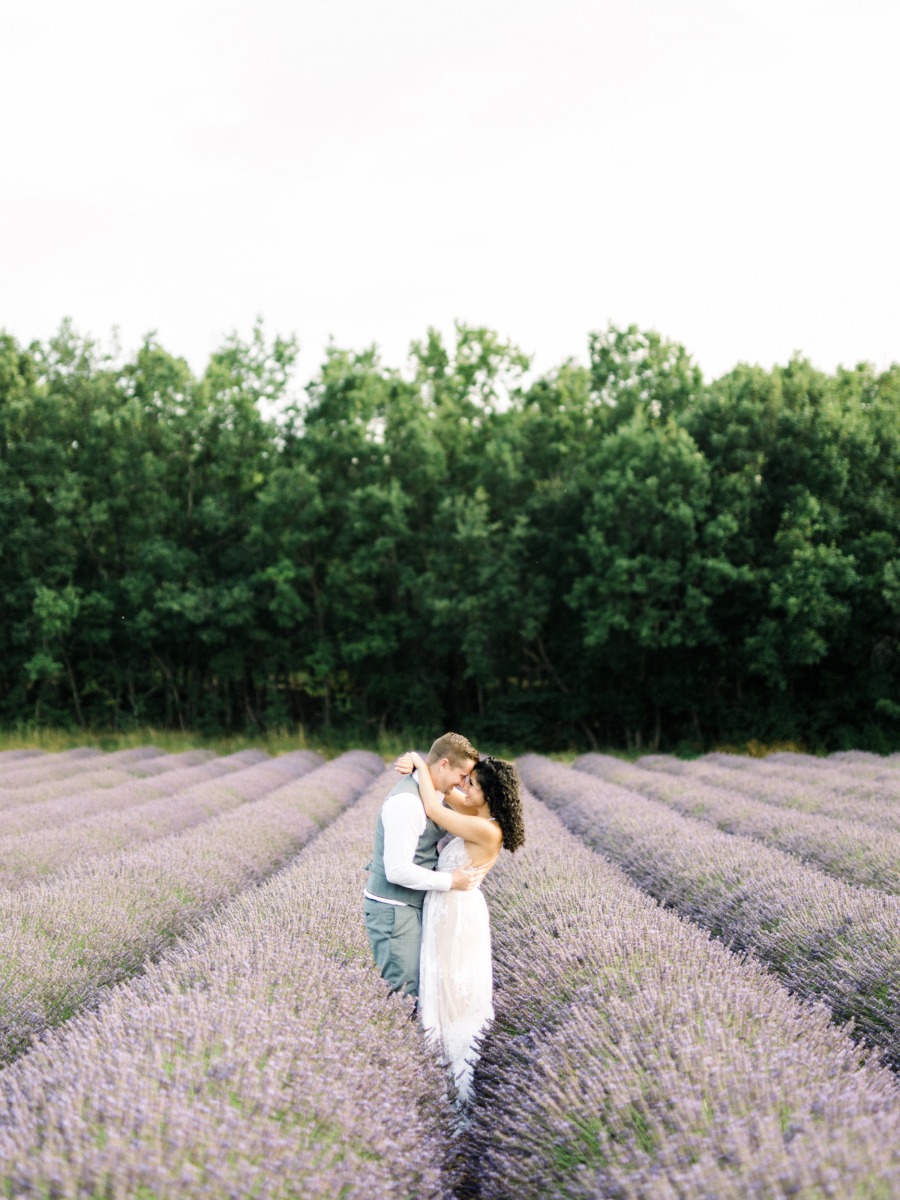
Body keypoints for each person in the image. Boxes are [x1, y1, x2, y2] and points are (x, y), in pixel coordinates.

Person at [396, 748, 525, 1106]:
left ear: (489, 794)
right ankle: (438, 1079)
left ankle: (458, 1091)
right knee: (441, 986)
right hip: (447, 907)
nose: (465, 787)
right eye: (466, 781)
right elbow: (443, 789)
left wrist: (421, 764)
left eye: (472, 784)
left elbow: (435, 808)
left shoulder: (486, 829)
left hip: (458, 915)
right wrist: (422, 764)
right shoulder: (476, 814)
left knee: (455, 993)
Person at [364, 732, 483, 1001]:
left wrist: (416, 760)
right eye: (461, 775)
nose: (463, 784)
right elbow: (397, 870)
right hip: (395, 910)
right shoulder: (406, 803)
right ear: (443, 765)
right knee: (404, 994)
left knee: (419, 990)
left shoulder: (436, 792)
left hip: (413, 907)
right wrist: (451, 881)